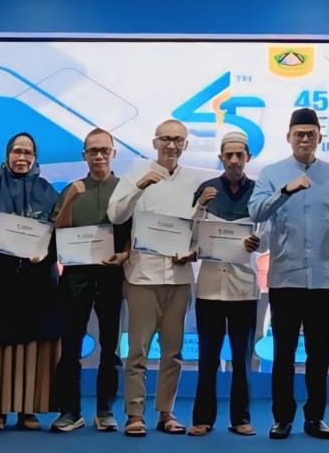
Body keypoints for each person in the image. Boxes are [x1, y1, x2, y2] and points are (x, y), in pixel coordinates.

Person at [248, 108, 329, 441]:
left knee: (319, 354)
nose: (305, 139)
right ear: (289, 137)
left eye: (311, 134)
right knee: (283, 353)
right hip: (284, 277)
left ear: (319, 137)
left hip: (323, 279)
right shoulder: (272, 173)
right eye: (299, 134)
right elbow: (256, 211)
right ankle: (282, 417)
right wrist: (285, 191)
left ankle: (315, 417)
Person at [107, 119, 210, 437]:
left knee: (173, 352)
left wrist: (193, 251)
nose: (171, 145)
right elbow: (116, 215)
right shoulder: (135, 173)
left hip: (179, 277)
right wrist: (139, 187)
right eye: (165, 139)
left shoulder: (196, 180)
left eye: (178, 140)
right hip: (142, 275)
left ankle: (166, 412)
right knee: (137, 351)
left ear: (186, 145)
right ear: (154, 143)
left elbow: (199, 227)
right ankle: (134, 413)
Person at [0, 132, 62, 431]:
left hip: (37, 281)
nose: (22, 157)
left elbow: (58, 234)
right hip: (0, 282)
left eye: (27, 152)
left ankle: (27, 409)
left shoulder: (48, 192)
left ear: (35, 157)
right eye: (17, 151)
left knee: (32, 345)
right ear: (7, 156)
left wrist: (46, 254)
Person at [48, 128, 131, 434]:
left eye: (104, 150)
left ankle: (105, 410)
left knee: (110, 346)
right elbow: (57, 232)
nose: (99, 156)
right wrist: (70, 199)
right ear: (84, 155)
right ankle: (69, 411)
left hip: (111, 274)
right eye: (93, 151)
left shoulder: (125, 190)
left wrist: (124, 254)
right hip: (75, 276)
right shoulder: (72, 188)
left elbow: (135, 232)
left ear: (114, 153)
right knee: (70, 347)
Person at [190, 131, 265, 437]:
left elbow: (267, 234)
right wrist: (198, 207)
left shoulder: (259, 192)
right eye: (228, 155)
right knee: (207, 358)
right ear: (220, 157)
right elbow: (190, 237)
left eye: (239, 155)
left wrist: (257, 242)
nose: (234, 160)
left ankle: (240, 418)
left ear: (248, 158)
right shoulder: (206, 190)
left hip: (244, 288)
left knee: (241, 359)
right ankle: (202, 418)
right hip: (209, 287)